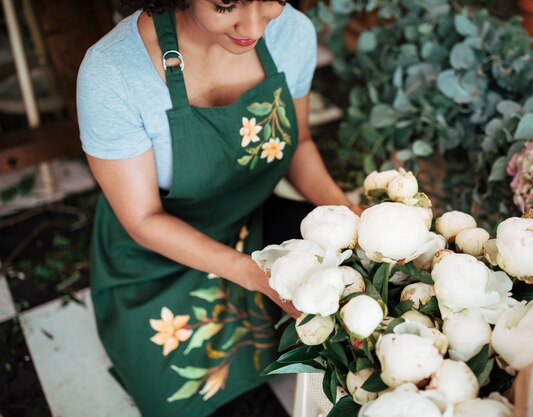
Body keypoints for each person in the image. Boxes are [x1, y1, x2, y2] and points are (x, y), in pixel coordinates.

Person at [76, 1, 360, 415]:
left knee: (356, 308)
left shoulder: (291, 32)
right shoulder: (113, 74)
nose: (253, 28)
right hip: (157, 261)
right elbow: (143, 220)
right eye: (227, 5)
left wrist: (350, 213)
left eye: (272, 2)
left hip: (253, 223)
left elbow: (299, 144)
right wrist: (258, 277)